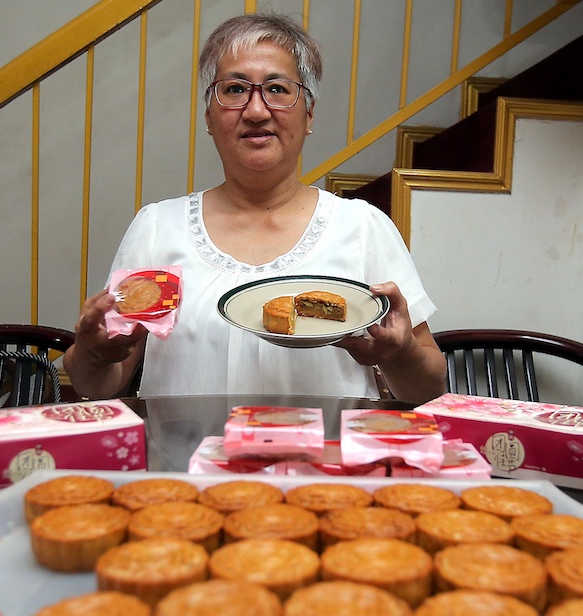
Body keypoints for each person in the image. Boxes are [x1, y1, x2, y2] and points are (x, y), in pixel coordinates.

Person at [64, 12, 446, 403]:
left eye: (278, 89)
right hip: (184, 461)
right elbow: (99, 384)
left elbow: (429, 388)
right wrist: (93, 354)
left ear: (309, 112)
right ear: (209, 116)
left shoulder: (362, 226)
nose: (257, 111)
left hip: (325, 462)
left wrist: (401, 355)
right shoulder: (158, 226)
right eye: (234, 90)